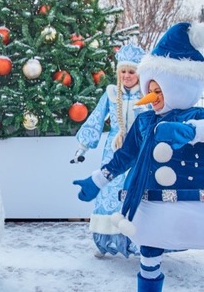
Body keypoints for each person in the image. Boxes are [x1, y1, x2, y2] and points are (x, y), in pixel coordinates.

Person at [73, 22, 204, 292]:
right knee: (149, 252)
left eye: (159, 91)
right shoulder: (145, 120)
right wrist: (98, 180)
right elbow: (125, 156)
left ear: (179, 87)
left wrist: (193, 131)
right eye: (151, 89)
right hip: (153, 202)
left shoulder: (194, 114)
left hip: (203, 200)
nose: (153, 96)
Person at [71, 43, 148, 258]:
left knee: (136, 193)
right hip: (115, 152)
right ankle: (105, 242)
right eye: (122, 71)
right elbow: (96, 118)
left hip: (141, 153)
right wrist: (83, 145)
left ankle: (139, 243)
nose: (126, 76)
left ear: (139, 74)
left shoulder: (147, 96)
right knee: (109, 193)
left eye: (131, 72)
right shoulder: (112, 93)